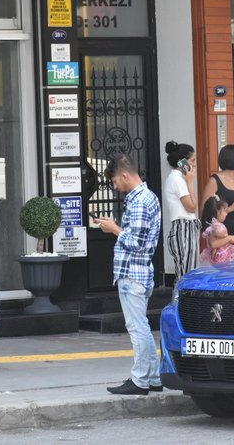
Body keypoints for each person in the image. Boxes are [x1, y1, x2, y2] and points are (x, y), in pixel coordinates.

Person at [94, 154, 162, 395]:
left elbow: (138, 243)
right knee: (141, 326)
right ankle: (152, 377)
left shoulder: (140, 201)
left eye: (114, 181)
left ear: (125, 175)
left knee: (137, 328)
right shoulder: (146, 197)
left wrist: (114, 229)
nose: (115, 187)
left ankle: (141, 380)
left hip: (133, 273)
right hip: (141, 272)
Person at [200, 145, 234, 260]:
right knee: (227, 271)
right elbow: (206, 210)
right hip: (223, 233)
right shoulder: (214, 180)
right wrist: (230, 208)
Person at [163, 141, 199, 281]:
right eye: (192, 160)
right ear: (182, 162)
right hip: (184, 227)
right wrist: (190, 183)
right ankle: (181, 302)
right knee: (187, 273)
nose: (194, 164)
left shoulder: (177, 178)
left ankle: (181, 301)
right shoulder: (177, 179)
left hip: (184, 227)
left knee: (185, 271)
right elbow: (191, 206)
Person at [199, 195, 234, 265]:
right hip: (217, 259)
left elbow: (219, 240)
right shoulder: (214, 227)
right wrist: (229, 238)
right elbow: (213, 244)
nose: (226, 213)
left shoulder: (218, 226)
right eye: (225, 211)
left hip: (223, 256)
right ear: (217, 212)